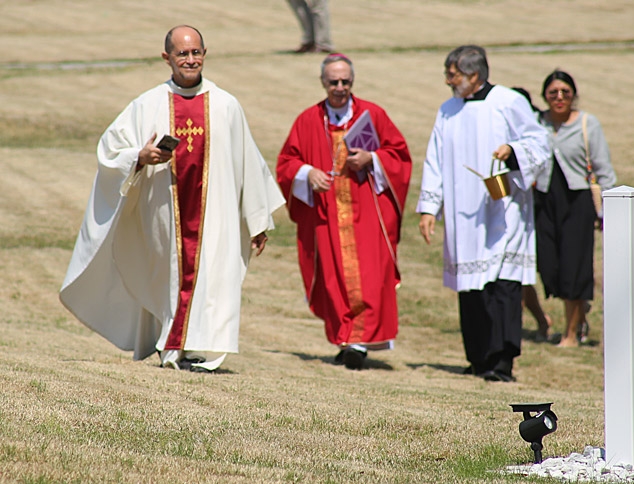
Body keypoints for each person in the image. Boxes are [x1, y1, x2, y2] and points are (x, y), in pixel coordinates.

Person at [59, 25, 286, 371]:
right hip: (164, 216)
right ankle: (172, 345)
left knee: (211, 279)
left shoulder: (226, 105)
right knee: (169, 279)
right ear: (167, 58)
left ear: (205, 54)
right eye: (182, 53)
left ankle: (197, 351)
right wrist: (140, 156)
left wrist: (256, 221)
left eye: (196, 52)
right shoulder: (147, 104)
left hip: (215, 217)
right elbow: (110, 149)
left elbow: (248, 163)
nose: (190, 60)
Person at [417, 45, 550, 382]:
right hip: (463, 214)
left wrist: (512, 150)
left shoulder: (508, 101)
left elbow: (539, 141)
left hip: (503, 210)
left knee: (503, 285)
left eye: (453, 74)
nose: (448, 80)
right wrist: (429, 208)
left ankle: (502, 361)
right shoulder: (447, 110)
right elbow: (434, 159)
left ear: (474, 75)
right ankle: (478, 357)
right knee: (471, 287)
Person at [277, 53, 411, 370]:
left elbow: (399, 156)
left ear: (352, 81)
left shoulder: (373, 114)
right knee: (332, 278)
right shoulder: (309, 119)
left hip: (366, 212)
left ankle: (359, 343)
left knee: (369, 276)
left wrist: (371, 159)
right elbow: (286, 163)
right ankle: (346, 338)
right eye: (334, 81)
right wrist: (307, 173)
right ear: (323, 82)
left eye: (345, 81)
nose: (340, 87)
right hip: (326, 215)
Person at [534, 70, 616, 348]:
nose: (559, 98)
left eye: (565, 93)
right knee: (548, 264)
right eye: (553, 93)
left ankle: (570, 334)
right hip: (545, 200)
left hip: (577, 202)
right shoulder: (536, 123)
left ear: (573, 95)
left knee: (574, 265)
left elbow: (604, 168)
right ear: (544, 96)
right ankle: (579, 314)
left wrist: (607, 209)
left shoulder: (586, 123)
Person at [512, 86, 553, 342]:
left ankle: (542, 320)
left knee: (531, 270)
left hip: (545, 204)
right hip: (521, 205)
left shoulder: (537, 129)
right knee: (518, 271)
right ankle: (527, 321)